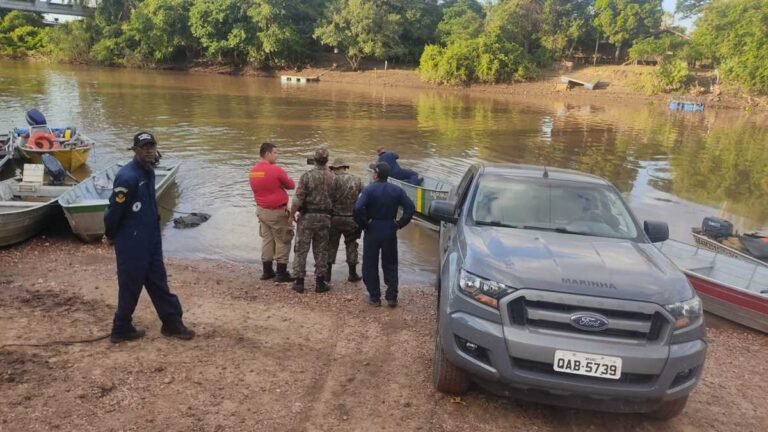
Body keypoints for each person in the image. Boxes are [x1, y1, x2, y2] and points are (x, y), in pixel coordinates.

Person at [103, 132, 195, 343]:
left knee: (158, 281)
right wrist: (110, 235)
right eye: (144, 147)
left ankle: (172, 323)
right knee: (130, 285)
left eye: (152, 147)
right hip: (132, 241)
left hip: (151, 237)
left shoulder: (149, 172)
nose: (149, 151)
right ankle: (121, 328)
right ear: (135, 150)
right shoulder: (127, 177)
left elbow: (150, 202)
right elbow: (114, 211)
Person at [354, 162, 415, 307]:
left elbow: (357, 208)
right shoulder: (397, 190)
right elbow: (410, 208)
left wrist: (363, 224)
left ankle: (375, 297)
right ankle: (391, 297)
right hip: (389, 228)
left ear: (375, 174)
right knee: (390, 263)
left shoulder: (368, 190)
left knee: (370, 263)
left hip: (373, 227)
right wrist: (400, 224)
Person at [249, 142, 296, 282]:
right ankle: (281, 273)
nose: (277, 155)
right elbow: (291, 185)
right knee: (283, 239)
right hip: (276, 212)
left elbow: (259, 186)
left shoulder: (253, 171)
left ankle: (267, 271)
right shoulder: (276, 170)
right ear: (268, 153)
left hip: (261, 210)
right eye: (275, 152)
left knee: (267, 240)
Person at [291, 148, 335, 293]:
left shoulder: (307, 176)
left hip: (307, 217)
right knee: (321, 250)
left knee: (302, 249)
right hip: (325, 218)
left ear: (314, 159)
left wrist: (292, 214)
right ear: (327, 160)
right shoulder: (333, 177)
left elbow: (298, 199)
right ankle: (320, 282)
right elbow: (336, 198)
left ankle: (299, 282)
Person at [327, 158, 364, 283]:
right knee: (352, 245)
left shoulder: (331, 180)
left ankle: (327, 276)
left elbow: (327, 199)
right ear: (345, 167)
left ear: (334, 169)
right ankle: (352, 274)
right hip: (352, 218)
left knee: (331, 245)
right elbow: (364, 196)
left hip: (334, 218)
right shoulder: (357, 179)